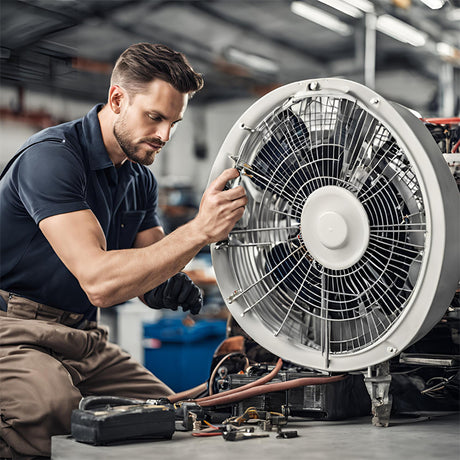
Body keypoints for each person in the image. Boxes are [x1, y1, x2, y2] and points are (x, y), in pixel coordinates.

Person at [0, 42, 247, 458]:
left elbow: (150, 267)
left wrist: (165, 286)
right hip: (12, 331)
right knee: (55, 416)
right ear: (117, 99)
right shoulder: (52, 159)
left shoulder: (139, 179)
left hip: (83, 336)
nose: (165, 135)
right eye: (155, 117)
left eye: (174, 122)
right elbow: (98, 281)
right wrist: (199, 230)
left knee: (173, 416)